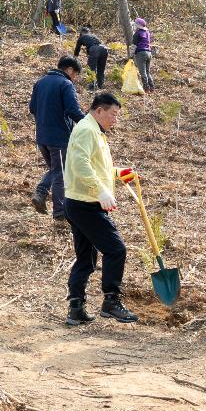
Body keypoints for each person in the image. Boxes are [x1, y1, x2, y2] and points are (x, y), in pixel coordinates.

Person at [62, 92, 139, 325]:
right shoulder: (87, 130)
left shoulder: (96, 132)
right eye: (113, 114)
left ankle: (76, 307)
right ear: (99, 111)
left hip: (81, 201)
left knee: (86, 258)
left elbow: (97, 166)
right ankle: (111, 301)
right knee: (116, 249)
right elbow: (79, 164)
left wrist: (117, 173)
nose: (115, 119)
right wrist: (100, 191)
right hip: (85, 204)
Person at [29, 56, 85, 221]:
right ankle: (60, 213)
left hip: (42, 136)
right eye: (75, 74)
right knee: (61, 173)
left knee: (56, 169)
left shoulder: (40, 82)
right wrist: (90, 125)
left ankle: (41, 193)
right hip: (59, 137)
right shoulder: (65, 84)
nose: (74, 78)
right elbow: (73, 110)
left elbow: (32, 108)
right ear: (69, 70)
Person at [74, 26, 108, 91]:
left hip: (94, 49)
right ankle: (100, 84)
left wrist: (75, 58)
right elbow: (95, 44)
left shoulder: (81, 37)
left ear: (81, 33)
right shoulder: (93, 36)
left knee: (91, 69)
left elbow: (77, 49)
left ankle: (93, 86)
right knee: (101, 68)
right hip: (104, 49)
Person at [130, 18, 155, 91]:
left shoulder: (137, 34)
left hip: (141, 54)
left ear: (138, 26)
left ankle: (146, 89)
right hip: (149, 53)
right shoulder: (147, 32)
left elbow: (134, 46)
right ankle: (152, 87)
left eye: (135, 25)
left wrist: (131, 56)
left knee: (143, 72)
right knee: (147, 72)